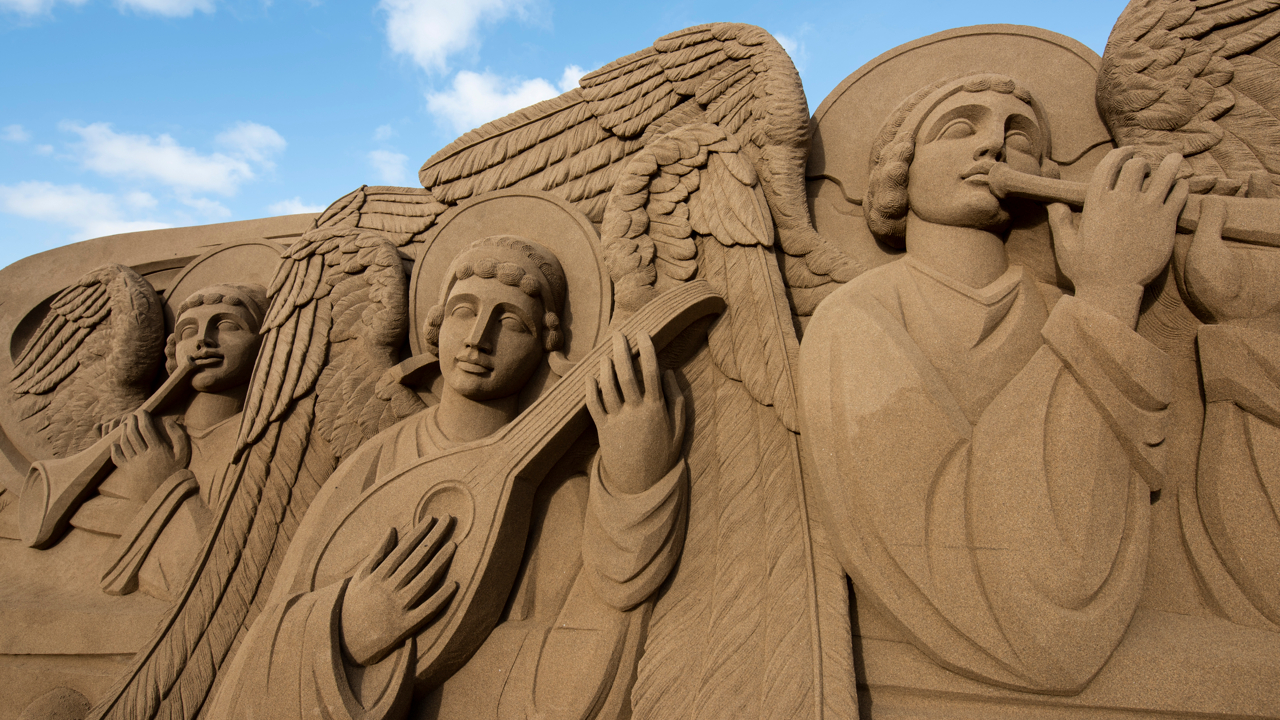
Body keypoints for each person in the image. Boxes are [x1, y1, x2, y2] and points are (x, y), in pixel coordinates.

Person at [798, 74, 1186, 693]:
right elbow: (968, 563)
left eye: (1019, 136)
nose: (994, 148)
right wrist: (1110, 295)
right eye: (959, 127)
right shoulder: (856, 318)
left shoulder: (1062, 309)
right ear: (902, 168)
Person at [207, 235, 689, 719]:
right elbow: (272, 632)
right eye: (463, 311)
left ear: (547, 344)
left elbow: (614, 599)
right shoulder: (378, 462)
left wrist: (636, 476)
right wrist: (347, 625)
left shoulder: (561, 486)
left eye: (510, 322)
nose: (479, 337)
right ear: (435, 326)